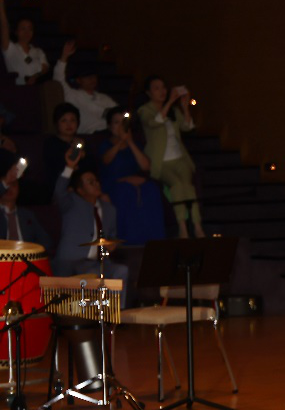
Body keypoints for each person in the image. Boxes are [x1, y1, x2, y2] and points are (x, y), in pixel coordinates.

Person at [137, 75, 204, 238]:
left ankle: (197, 226)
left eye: (163, 88)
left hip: (180, 158)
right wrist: (169, 102)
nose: (162, 91)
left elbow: (187, 127)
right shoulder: (145, 110)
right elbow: (154, 123)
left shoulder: (173, 110)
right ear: (148, 93)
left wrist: (184, 107)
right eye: (156, 88)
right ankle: (182, 226)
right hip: (161, 161)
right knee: (176, 185)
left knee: (188, 186)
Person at [52, 163, 127, 292]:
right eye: (90, 182)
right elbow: (59, 192)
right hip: (72, 260)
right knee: (93, 274)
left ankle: (117, 306)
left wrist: (112, 244)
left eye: (96, 181)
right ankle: (95, 305)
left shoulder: (109, 209)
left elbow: (112, 236)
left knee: (121, 270)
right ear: (80, 190)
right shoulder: (71, 203)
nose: (96, 184)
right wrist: (69, 167)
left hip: (96, 262)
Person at [98, 107, 166, 245]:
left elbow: (145, 166)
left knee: (151, 189)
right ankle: (128, 240)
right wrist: (119, 142)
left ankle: (155, 240)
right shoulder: (106, 144)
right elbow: (106, 160)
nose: (120, 126)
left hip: (134, 181)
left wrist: (129, 141)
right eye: (116, 122)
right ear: (110, 126)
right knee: (125, 191)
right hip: (114, 184)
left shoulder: (134, 144)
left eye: (123, 122)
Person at [53, 41, 117, 134]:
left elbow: (118, 113)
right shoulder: (73, 95)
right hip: (90, 134)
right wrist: (64, 56)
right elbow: (58, 80)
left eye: (93, 76)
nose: (92, 79)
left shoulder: (104, 98)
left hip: (110, 133)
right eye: (87, 77)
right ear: (79, 80)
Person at [41, 103, 96, 205]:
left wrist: (83, 155)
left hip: (82, 188)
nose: (69, 125)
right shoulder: (51, 144)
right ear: (56, 123)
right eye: (64, 121)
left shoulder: (83, 143)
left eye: (72, 120)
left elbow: (92, 167)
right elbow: (55, 169)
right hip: (60, 187)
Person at [0, 152, 52, 250]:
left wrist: (31, 252)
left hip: (25, 256)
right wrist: (6, 181)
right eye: (7, 185)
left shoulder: (27, 215)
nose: (9, 189)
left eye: (13, 185)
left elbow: (46, 241)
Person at [0, 0, 49, 85]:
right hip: (17, 89)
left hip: (37, 89)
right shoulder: (10, 48)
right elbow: (4, 26)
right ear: (16, 31)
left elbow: (45, 68)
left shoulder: (38, 51)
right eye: (23, 28)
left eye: (30, 29)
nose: (27, 32)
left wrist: (35, 76)